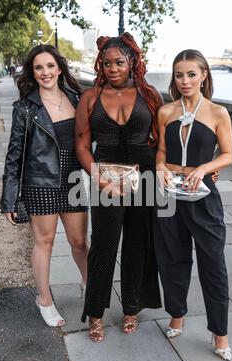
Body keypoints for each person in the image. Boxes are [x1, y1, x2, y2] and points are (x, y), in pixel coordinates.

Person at [75, 33, 163, 343]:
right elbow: (82, 145)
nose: (113, 68)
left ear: (132, 63)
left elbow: (163, 142)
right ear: (101, 64)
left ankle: (131, 308)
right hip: (105, 179)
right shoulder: (90, 97)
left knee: (138, 244)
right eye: (107, 63)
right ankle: (95, 312)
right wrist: (99, 178)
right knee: (104, 245)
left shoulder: (150, 95)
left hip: (145, 179)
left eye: (119, 62)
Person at [154, 49, 232, 361]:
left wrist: (203, 167)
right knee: (172, 259)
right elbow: (161, 152)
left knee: (213, 264)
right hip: (168, 195)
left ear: (203, 75)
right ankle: (177, 315)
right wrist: (160, 167)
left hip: (203, 196)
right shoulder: (166, 112)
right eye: (179, 74)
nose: (184, 80)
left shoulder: (218, 113)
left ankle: (220, 332)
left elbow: (228, 154)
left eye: (191, 74)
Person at [0, 45, 89, 328]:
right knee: (45, 241)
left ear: (59, 68)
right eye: (39, 68)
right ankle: (45, 298)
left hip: (73, 180)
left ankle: (92, 288)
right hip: (39, 182)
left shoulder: (78, 98)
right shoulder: (25, 108)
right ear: (33, 72)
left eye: (50, 66)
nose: (45, 72)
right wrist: (10, 199)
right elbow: (14, 155)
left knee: (79, 242)